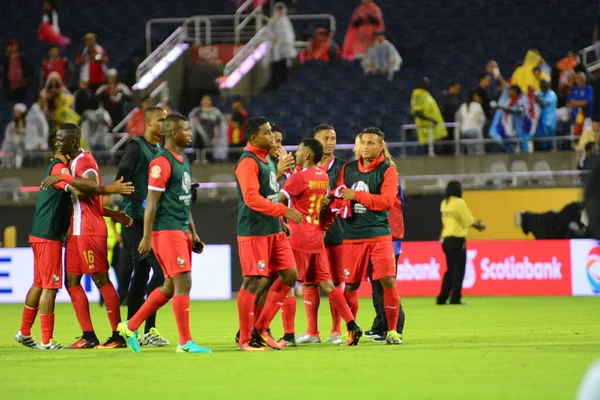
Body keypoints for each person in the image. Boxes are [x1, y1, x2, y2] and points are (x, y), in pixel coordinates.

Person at [118, 114, 211, 354]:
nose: (190, 133)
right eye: (186, 130)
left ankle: (130, 326)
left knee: (169, 286)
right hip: (166, 231)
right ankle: (185, 343)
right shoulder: (161, 162)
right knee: (183, 283)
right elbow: (151, 202)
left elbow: (183, 200)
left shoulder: (183, 159)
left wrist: (193, 232)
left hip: (179, 228)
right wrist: (147, 237)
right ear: (173, 133)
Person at [41, 124, 134, 348]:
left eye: (61, 139)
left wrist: (64, 180)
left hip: (89, 231)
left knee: (101, 279)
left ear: (72, 142)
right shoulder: (72, 163)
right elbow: (90, 201)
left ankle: (117, 335)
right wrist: (114, 214)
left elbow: (92, 186)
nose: (57, 143)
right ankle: (88, 336)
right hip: (76, 231)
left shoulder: (84, 162)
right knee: (71, 282)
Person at [278, 138, 363, 347]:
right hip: (316, 234)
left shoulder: (298, 177)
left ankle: (287, 334)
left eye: (298, 151)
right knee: (326, 283)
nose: (295, 154)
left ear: (307, 155)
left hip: (297, 234)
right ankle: (351, 325)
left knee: (287, 282)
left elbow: (277, 200)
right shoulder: (323, 177)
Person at [235, 116, 302, 351]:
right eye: (266, 133)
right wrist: (283, 210)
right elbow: (251, 198)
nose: (272, 137)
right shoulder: (247, 162)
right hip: (254, 230)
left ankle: (261, 328)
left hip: (273, 229)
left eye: (272, 132)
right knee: (252, 281)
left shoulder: (266, 161)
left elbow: (270, 193)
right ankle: (244, 339)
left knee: (289, 274)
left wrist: (280, 220)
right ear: (254, 138)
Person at [335, 127, 403, 345]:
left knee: (387, 280)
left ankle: (392, 331)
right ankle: (351, 330)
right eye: (363, 142)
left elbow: (386, 201)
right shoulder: (348, 168)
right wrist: (339, 203)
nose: (366, 146)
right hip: (352, 235)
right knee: (351, 285)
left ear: (380, 146)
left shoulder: (388, 170)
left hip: (379, 234)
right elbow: (339, 195)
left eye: (371, 143)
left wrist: (356, 195)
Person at [116, 106, 170, 347]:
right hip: (135, 219)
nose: (165, 125)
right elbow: (122, 181)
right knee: (160, 271)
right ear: (148, 122)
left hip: (153, 220)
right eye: (161, 120)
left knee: (141, 274)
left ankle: (132, 328)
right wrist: (143, 201)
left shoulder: (160, 151)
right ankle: (147, 329)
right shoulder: (135, 148)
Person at [15, 151, 73, 349]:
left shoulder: (53, 167)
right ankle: (47, 340)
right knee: (50, 286)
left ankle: (24, 332)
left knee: (39, 283)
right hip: (49, 235)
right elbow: (76, 189)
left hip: (40, 233)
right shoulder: (60, 168)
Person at [365, 141, 406, 343]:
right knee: (378, 284)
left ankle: (395, 326)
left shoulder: (388, 174)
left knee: (385, 283)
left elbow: (392, 206)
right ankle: (381, 324)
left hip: (388, 236)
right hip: (382, 234)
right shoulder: (387, 173)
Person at [313, 124, 346, 344]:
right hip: (309, 231)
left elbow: (344, 196)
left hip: (335, 230)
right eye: (326, 138)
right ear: (316, 141)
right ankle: (312, 332)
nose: (331, 142)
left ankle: (335, 330)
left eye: (333, 138)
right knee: (310, 281)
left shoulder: (343, 167)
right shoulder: (306, 166)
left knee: (336, 279)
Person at [436, 181, 486, 305]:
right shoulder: (459, 203)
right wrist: (478, 226)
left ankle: (442, 297)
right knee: (459, 269)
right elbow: (467, 221)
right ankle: (455, 298)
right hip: (457, 239)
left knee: (450, 269)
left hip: (446, 239)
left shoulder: (444, 203)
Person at [411, 77, 448, 154]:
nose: (427, 85)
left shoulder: (425, 94)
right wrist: (431, 119)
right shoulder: (419, 95)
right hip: (427, 129)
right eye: (425, 83)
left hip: (433, 130)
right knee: (430, 152)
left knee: (436, 153)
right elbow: (417, 112)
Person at [188, 95, 225, 164]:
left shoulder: (215, 112)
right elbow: (191, 122)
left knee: (209, 159)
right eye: (204, 100)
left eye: (207, 100)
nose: (205, 101)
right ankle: (198, 160)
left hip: (210, 137)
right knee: (198, 155)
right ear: (201, 102)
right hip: (199, 137)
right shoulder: (197, 111)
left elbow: (219, 125)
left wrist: (217, 137)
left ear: (211, 101)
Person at [267, 2, 296, 91]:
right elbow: (269, 32)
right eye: (278, 10)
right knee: (276, 67)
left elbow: (290, 33)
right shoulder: (272, 20)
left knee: (285, 67)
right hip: (276, 49)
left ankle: (285, 85)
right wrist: (274, 40)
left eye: (281, 9)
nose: (280, 11)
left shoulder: (286, 20)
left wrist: (290, 44)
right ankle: (275, 87)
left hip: (286, 48)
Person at [2, 103, 33, 168]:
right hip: (10, 150)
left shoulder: (28, 124)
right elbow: (8, 139)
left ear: (21, 112)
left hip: (23, 151)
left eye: (16, 111)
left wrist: (19, 133)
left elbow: (29, 137)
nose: (14, 112)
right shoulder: (12, 124)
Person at [456, 89, 486, 155]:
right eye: (477, 96)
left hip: (464, 131)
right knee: (477, 151)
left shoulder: (463, 106)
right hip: (474, 131)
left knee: (470, 149)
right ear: (474, 96)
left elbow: (458, 119)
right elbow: (482, 120)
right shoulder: (477, 106)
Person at [533, 80, 558, 151]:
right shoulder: (541, 93)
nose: (542, 86)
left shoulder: (552, 94)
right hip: (541, 121)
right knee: (540, 140)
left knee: (549, 140)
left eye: (544, 84)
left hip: (549, 121)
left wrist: (536, 97)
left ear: (548, 85)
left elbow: (543, 104)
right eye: (541, 85)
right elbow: (534, 95)